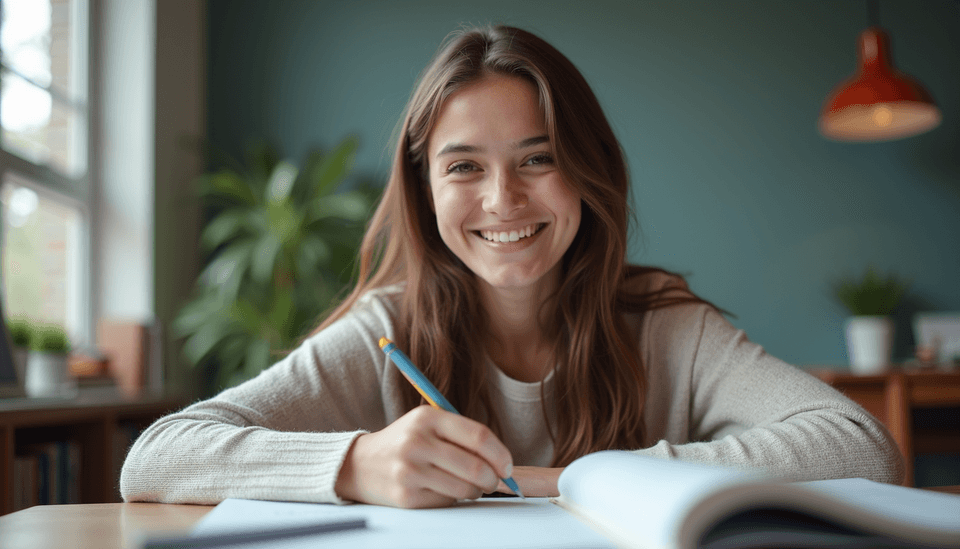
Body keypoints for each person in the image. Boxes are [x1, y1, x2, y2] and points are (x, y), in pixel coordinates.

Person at [120, 25, 903, 509]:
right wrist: (356, 462)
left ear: (588, 172)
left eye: (540, 158)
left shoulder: (665, 324)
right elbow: (156, 457)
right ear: (426, 193)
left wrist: (580, 477)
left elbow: (863, 446)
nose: (504, 200)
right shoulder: (387, 329)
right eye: (464, 167)